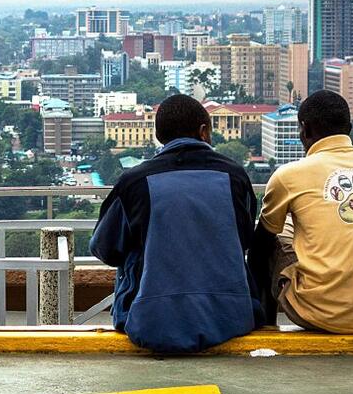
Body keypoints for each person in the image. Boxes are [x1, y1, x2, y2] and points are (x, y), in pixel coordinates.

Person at [90, 95, 264, 353]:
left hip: (151, 322)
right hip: (232, 317)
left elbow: (105, 249)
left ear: (160, 136)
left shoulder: (135, 182)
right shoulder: (234, 176)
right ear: (204, 132)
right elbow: (246, 239)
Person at [249, 90, 353, 333]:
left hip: (319, 313)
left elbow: (260, 245)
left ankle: (264, 327)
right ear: (348, 127)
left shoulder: (289, 176)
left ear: (305, 130)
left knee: (273, 232)